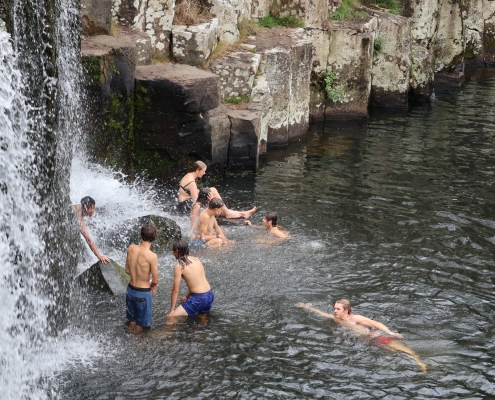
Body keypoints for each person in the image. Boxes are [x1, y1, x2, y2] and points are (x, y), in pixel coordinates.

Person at [297, 300, 427, 373]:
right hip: (369, 342)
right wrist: (306, 307)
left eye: (338, 309)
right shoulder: (337, 319)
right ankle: (419, 363)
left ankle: (421, 364)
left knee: (404, 351)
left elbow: (375, 323)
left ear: (346, 310)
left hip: (376, 337)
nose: (334, 311)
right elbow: (321, 313)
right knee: (394, 353)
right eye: (334, 308)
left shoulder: (355, 318)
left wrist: (391, 333)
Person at [177, 160, 257, 219]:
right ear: (197, 170)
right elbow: (195, 200)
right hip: (185, 206)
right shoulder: (192, 182)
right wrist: (211, 200)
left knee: (213, 191)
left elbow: (188, 192)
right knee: (215, 203)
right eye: (203, 171)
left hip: (183, 203)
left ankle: (237, 213)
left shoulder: (189, 175)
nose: (204, 173)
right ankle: (231, 213)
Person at [125, 225, 159, 334]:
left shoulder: (131, 248)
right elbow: (155, 280)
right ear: (154, 238)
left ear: (141, 235)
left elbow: (127, 270)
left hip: (130, 290)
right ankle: (136, 347)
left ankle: (128, 341)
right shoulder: (152, 256)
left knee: (132, 321)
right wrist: (151, 285)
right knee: (140, 325)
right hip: (143, 293)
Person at [167, 239, 214, 318]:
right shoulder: (196, 259)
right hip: (209, 295)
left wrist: (172, 310)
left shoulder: (179, 267)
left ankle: (168, 330)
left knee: (172, 317)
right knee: (202, 317)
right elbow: (198, 281)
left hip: (199, 299)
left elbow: (175, 290)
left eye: (173, 250)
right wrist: (187, 296)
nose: (172, 252)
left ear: (177, 251)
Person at [73, 196, 110, 263]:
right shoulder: (78, 216)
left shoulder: (78, 207)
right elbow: (88, 239)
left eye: (93, 207)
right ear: (83, 208)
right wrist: (99, 256)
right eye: (89, 208)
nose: (92, 211)